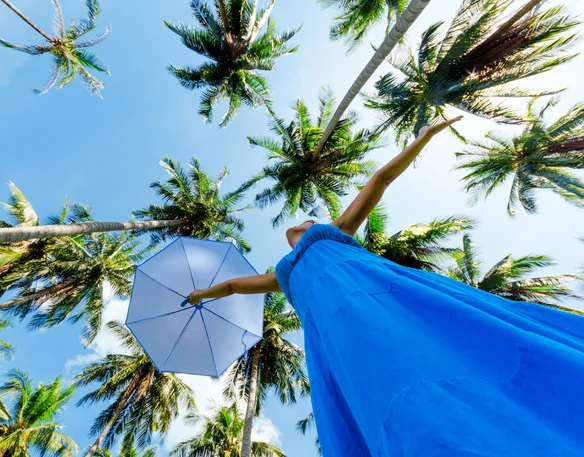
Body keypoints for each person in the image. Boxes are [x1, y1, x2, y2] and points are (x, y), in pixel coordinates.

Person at [188, 117, 584, 457]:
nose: (301, 222)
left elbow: (381, 179)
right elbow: (236, 285)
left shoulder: (336, 231)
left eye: (309, 219)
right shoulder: (283, 273)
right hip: (326, 323)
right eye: (299, 222)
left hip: (368, 284)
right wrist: (202, 295)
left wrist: (423, 138)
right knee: (373, 382)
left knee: (422, 343)